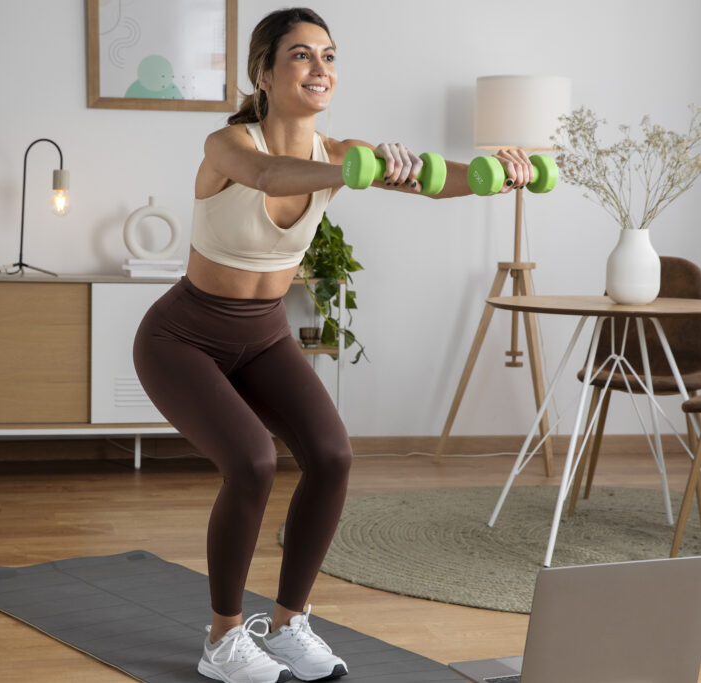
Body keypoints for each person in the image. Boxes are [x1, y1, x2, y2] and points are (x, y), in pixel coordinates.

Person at [132, 7, 534, 683]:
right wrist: (354, 170)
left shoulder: (343, 154)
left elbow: (434, 183)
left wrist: (498, 171)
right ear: (263, 72)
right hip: (182, 337)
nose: (320, 68)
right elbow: (267, 177)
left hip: (262, 335)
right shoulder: (228, 144)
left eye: (329, 56)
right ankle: (224, 638)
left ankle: (290, 623)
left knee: (332, 454)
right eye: (300, 56)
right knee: (253, 461)